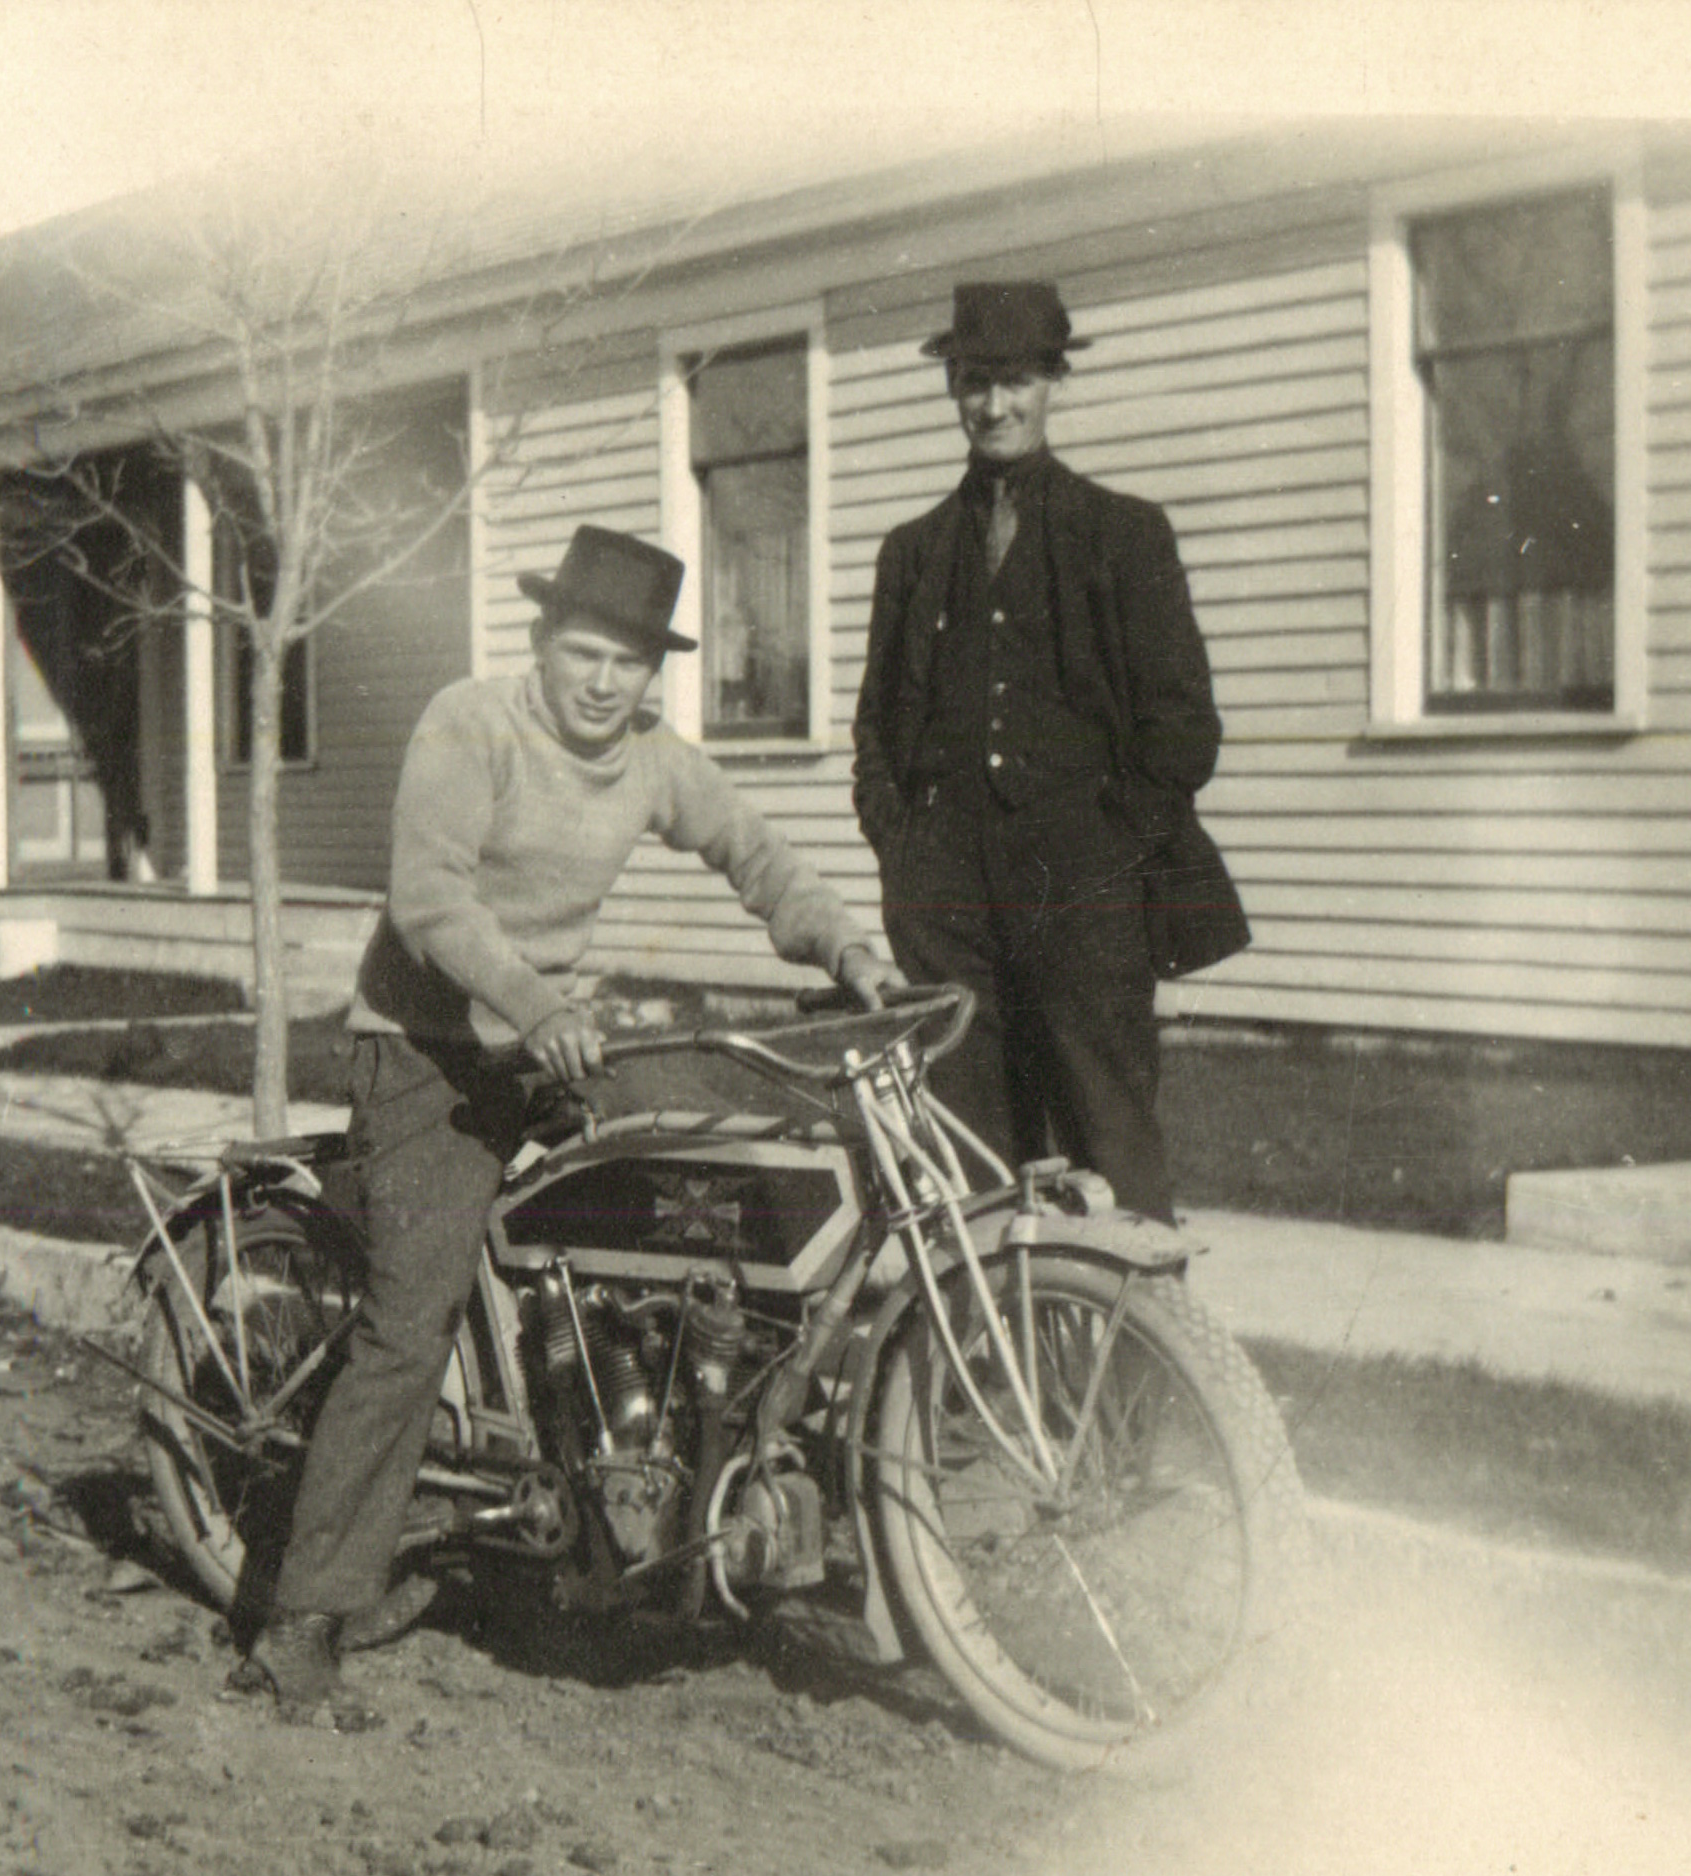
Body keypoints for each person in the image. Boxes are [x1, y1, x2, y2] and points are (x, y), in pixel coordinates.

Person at [238, 524, 904, 1723]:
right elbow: (429, 899)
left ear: (654, 673)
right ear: (543, 640)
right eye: (585, 652)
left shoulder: (650, 757)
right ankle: (302, 1620)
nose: (605, 681)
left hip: (552, 1040)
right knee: (413, 1318)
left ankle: (635, 1485)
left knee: (689, 1202)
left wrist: (844, 947)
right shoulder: (469, 723)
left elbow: (753, 852)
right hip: (427, 1048)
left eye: (629, 661)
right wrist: (536, 1005)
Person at [849, 281, 1228, 1223]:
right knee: (965, 1146)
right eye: (974, 382)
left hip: (1084, 891)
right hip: (945, 901)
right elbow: (877, 731)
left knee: (1111, 1133)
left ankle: (1140, 1321)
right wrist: (903, 850)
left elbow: (1182, 726)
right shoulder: (912, 552)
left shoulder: (1124, 534)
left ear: (1053, 381)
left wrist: (1109, 850)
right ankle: (988, 1323)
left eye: (1014, 380)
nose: (993, 406)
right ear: (952, 388)